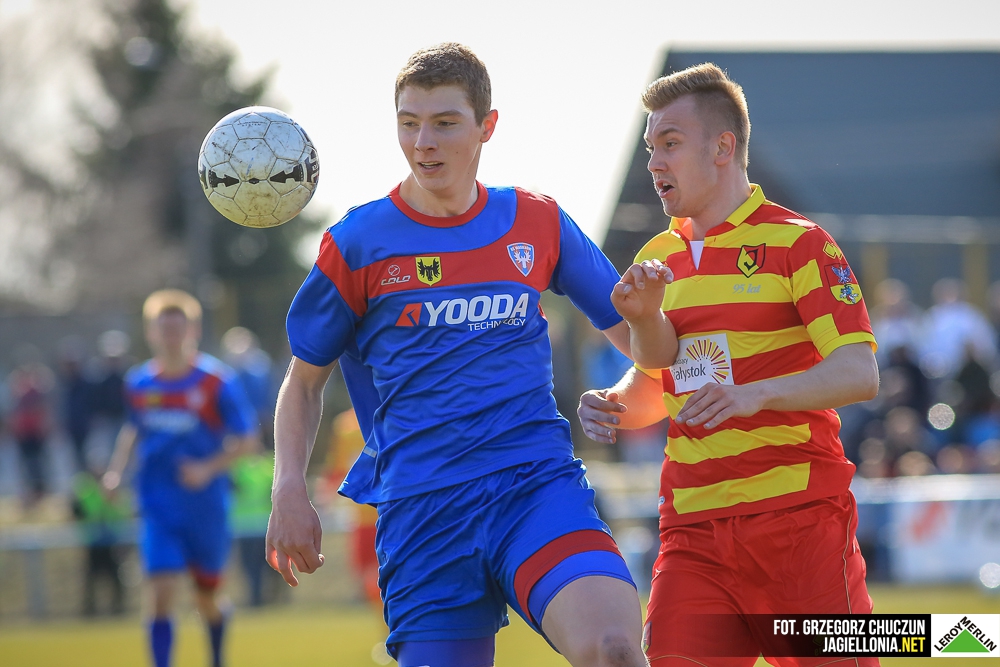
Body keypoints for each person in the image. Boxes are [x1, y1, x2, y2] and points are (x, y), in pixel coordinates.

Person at [266, 43, 648, 667]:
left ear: (486, 126)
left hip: (533, 488)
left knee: (614, 651)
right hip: (424, 514)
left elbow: (639, 335)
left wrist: (638, 393)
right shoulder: (357, 243)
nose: (424, 143)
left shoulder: (538, 222)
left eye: (445, 123)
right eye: (409, 123)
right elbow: (303, 383)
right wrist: (288, 489)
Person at [578, 63, 881, 666]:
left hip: (798, 525)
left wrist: (755, 393)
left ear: (722, 147)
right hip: (692, 534)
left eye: (670, 143)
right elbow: (659, 382)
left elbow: (859, 372)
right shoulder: (658, 255)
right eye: (650, 148)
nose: (654, 163)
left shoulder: (800, 243)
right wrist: (615, 401)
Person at [103, 289, 260, 667]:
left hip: (205, 507)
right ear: (151, 332)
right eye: (164, 328)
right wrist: (116, 472)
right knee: (161, 591)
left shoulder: (216, 382)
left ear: (193, 330)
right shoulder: (139, 383)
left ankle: (217, 656)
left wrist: (207, 468)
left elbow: (247, 440)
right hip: (158, 504)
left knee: (206, 599)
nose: (171, 336)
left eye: (178, 328)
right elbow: (133, 430)